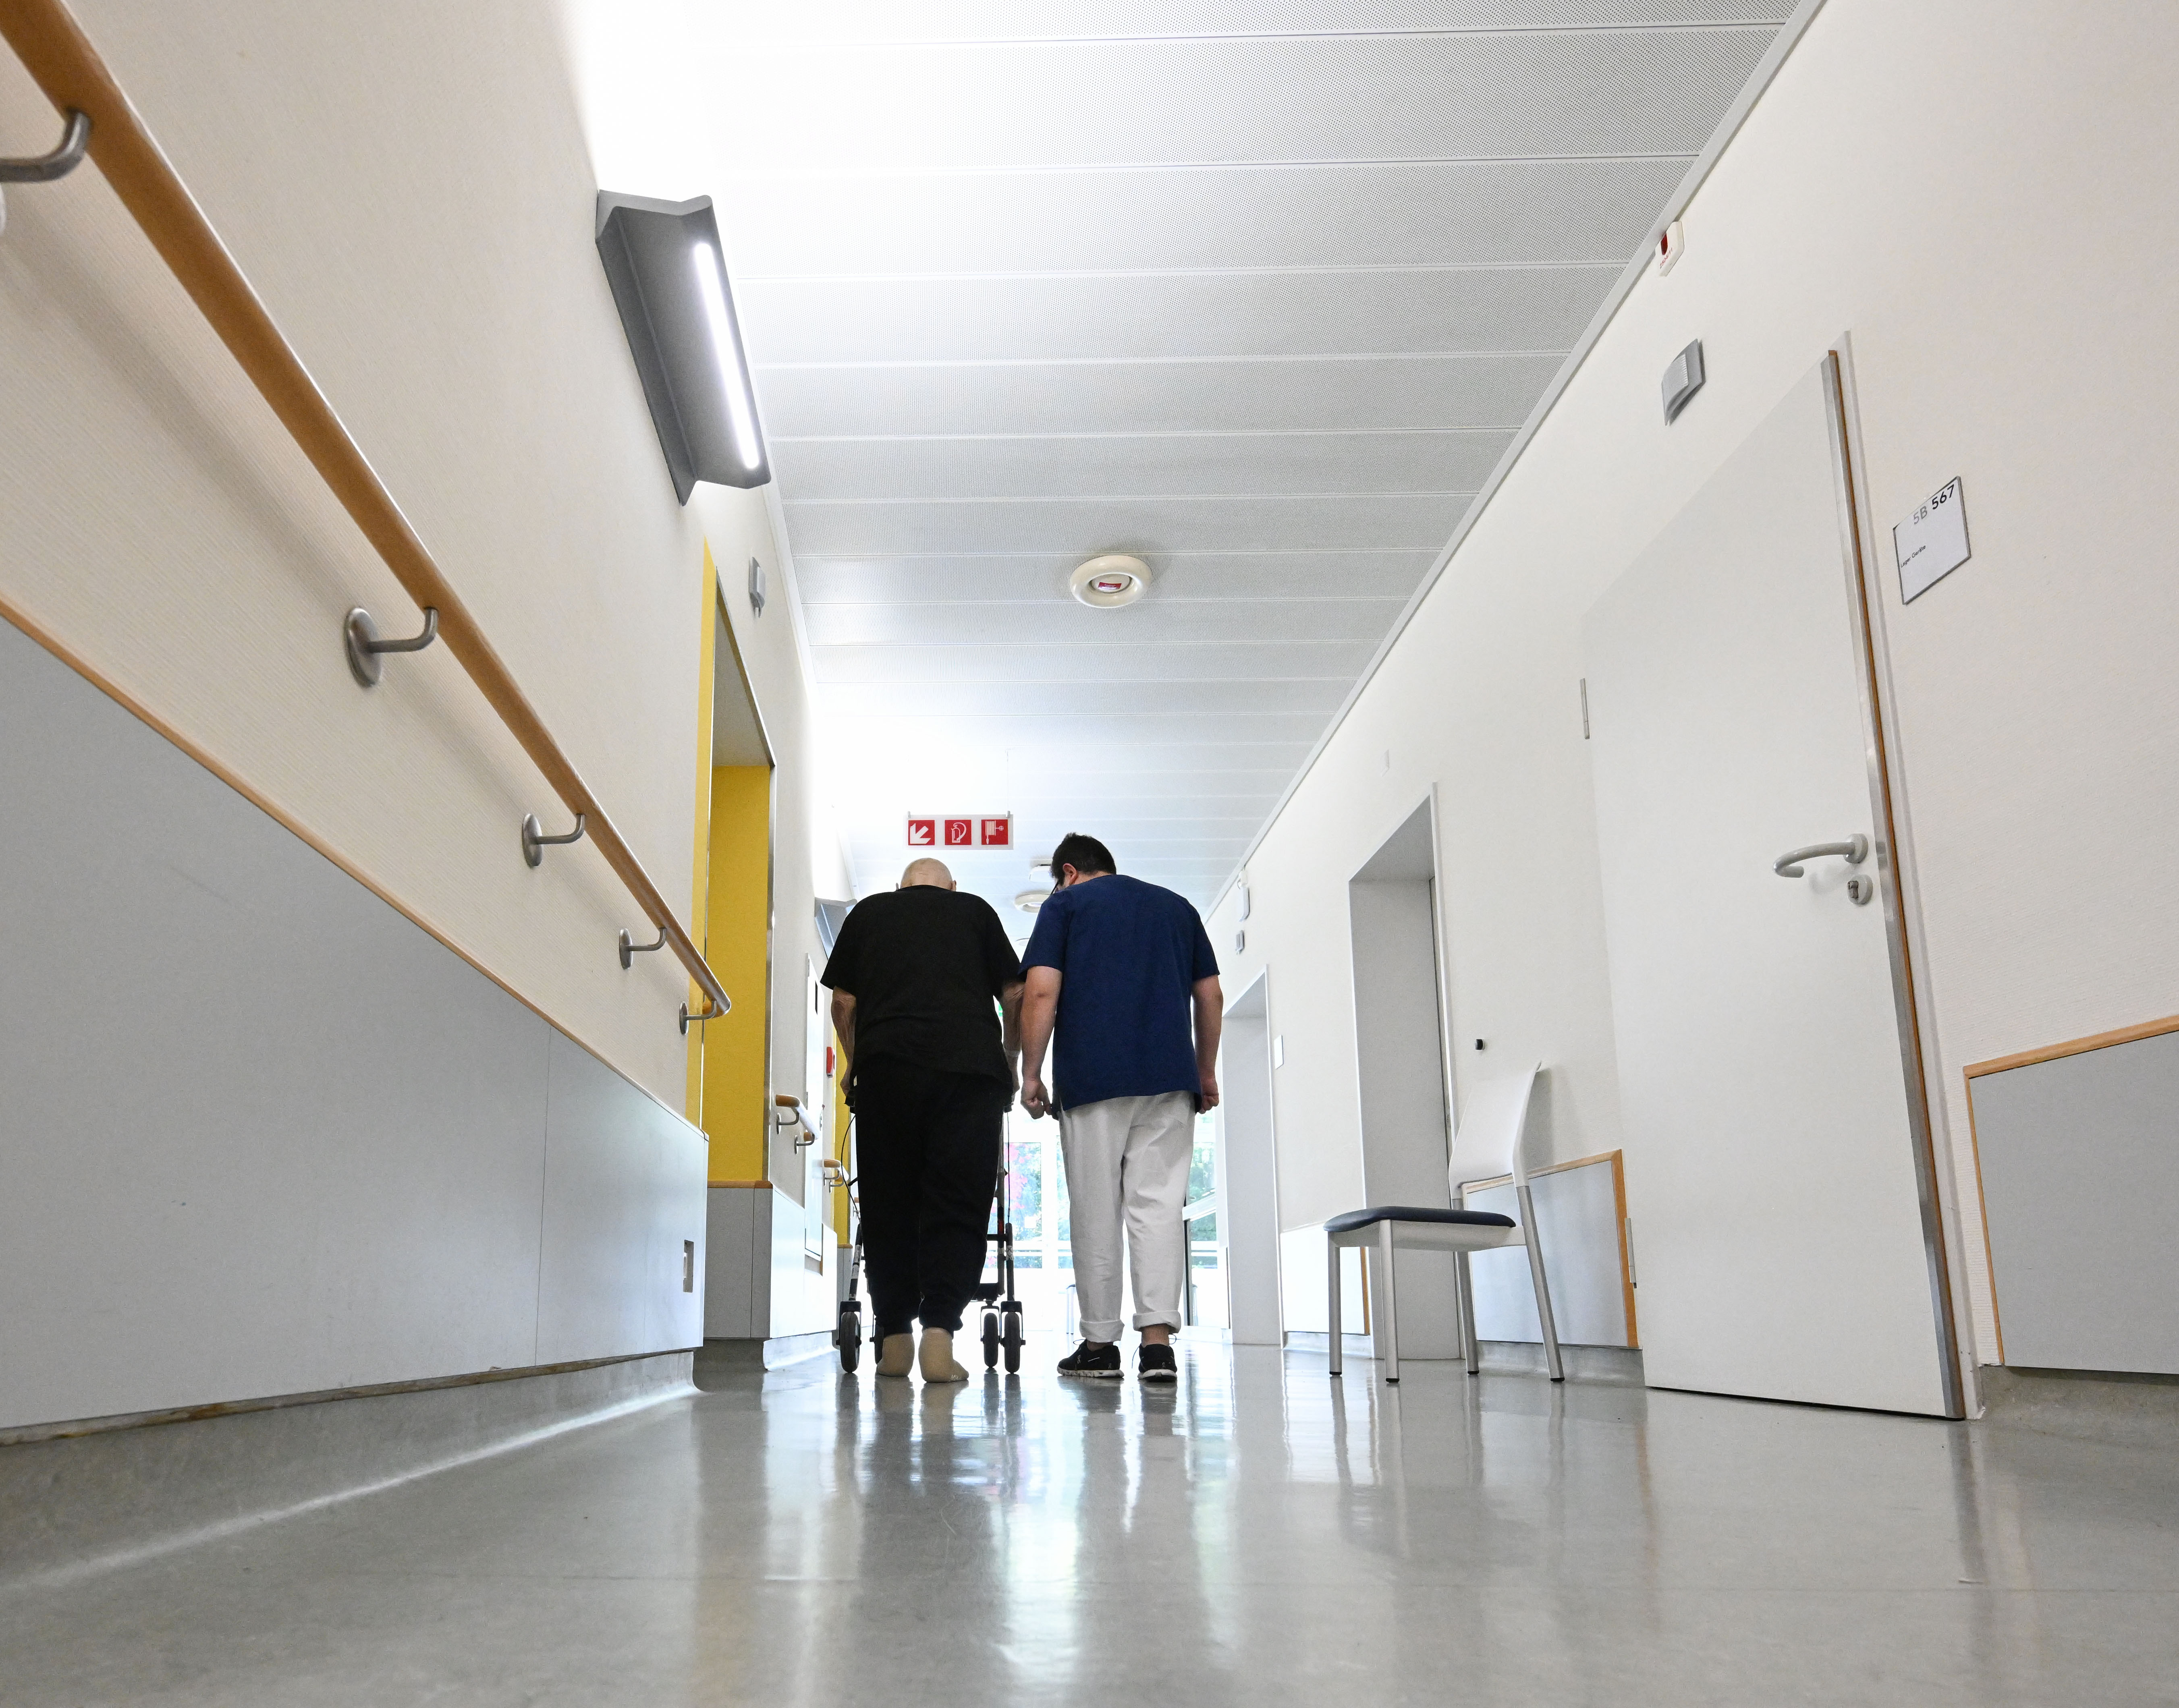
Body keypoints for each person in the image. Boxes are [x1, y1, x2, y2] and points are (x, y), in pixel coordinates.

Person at [1019, 833, 1221, 1383]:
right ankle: (1157, 1346)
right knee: (1156, 1208)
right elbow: (1210, 996)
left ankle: (1100, 1345)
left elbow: (1041, 993)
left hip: (1093, 1079)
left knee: (1095, 1209)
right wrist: (1205, 1070)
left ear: (1068, 871)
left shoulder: (1064, 905)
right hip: (1170, 1080)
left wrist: (1031, 1071)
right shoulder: (1178, 909)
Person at [823, 857, 1024, 1382]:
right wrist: (1008, 1060)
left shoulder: (868, 915)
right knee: (958, 1198)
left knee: (889, 1198)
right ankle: (939, 1333)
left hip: (888, 1071)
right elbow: (1016, 993)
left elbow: (844, 1005)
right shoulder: (975, 912)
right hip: (968, 1076)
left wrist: (852, 1066)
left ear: (899, 888)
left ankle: (894, 1338)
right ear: (954, 888)